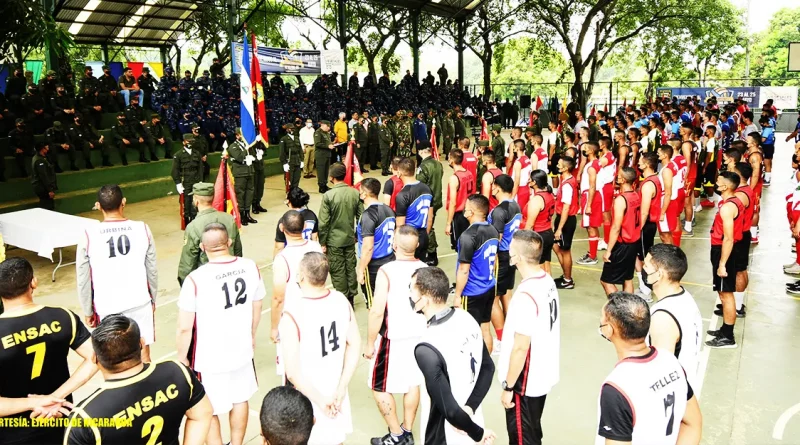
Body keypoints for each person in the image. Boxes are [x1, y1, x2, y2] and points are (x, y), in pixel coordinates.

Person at [176, 223, 263, 445]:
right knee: (240, 398)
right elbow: (256, 306)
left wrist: (182, 356)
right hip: (241, 348)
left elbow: (185, 327)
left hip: (209, 355)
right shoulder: (250, 267)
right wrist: (251, 335)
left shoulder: (195, 279)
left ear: (202, 247)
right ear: (230, 242)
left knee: (208, 406)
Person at [65, 314, 212, 444]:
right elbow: (202, 414)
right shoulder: (177, 372)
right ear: (141, 344)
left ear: (94, 358)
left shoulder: (85, 418)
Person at [0, 257, 97, 445]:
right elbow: (95, 357)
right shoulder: (63, 317)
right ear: (33, 283)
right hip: (59, 422)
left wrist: (35, 403)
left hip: (11, 434)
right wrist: (56, 397)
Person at [597, 292, 702, 444]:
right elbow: (693, 423)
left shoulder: (617, 387)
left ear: (609, 330)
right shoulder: (672, 363)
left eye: (602, 317)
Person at [279, 252, 361, 445]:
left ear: (301, 276)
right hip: (334, 386)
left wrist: (321, 401)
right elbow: (355, 344)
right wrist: (341, 387)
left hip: (308, 394)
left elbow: (292, 372)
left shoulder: (293, 312)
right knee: (336, 438)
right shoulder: (341, 300)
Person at [410, 267, 496, 444]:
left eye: (411, 290)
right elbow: (488, 368)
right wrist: (470, 408)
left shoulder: (427, 347)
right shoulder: (467, 318)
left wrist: (478, 434)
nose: (410, 295)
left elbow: (450, 411)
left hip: (447, 434)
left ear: (424, 300)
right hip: (471, 418)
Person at [76, 184, 158, 360]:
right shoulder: (142, 228)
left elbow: (83, 277)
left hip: (107, 306)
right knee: (143, 353)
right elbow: (152, 270)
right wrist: (153, 299)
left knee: (113, 358)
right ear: (124, 202)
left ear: (98, 206)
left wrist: (88, 309)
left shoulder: (88, 234)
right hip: (139, 301)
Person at [364, 226, 427, 445]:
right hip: (419, 336)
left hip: (394, 337)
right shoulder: (425, 269)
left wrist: (370, 342)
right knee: (413, 383)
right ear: (417, 246)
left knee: (378, 386)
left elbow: (377, 310)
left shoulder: (386, 271)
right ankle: (407, 430)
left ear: (394, 245)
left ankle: (396, 435)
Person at [498, 231, 559, 445]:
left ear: (517, 257)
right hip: (541, 373)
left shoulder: (526, 295)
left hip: (524, 382)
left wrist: (509, 387)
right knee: (532, 430)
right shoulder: (547, 281)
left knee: (522, 437)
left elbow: (521, 347)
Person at [270, 210, 324, 376]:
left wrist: (274, 327)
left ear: (281, 227)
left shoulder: (282, 258)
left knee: (292, 367)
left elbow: (279, 298)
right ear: (305, 227)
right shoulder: (315, 247)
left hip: (293, 316)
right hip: (317, 311)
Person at [644, 244, 703, 388]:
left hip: (671, 401)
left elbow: (661, 374)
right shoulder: (685, 297)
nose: (642, 269)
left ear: (659, 274)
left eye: (646, 266)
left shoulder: (663, 318)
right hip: (686, 389)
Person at [455, 194, 500, 352]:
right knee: (485, 329)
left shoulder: (468, 236)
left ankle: (473, 367)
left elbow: (464, 269)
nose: (464, 210)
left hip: (472, 292)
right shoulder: (493, 230)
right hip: (489, 286)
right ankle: (486, 366)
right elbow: (494, 260)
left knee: (469, 332)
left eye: (466, 207)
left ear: (472, 211)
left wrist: (457, 295)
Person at [706, 171, 745, 349]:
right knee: (723, 292)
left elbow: (728, 238)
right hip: (725, 250)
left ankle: (728, 337)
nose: (716, 182)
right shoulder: (733, 201)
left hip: (724, 251)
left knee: (726, 294)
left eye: (719, 181)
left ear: (726, 186)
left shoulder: (728, 207)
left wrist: (722, 263)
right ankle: (724, 329)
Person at [177, 183, 243, 285]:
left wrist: (185, 286)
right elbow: (238, 251)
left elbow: (188, 264)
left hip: (208, 281)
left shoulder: (193, 226)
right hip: (231, 277)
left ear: (196, 201)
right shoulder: (229, 219)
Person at [319, 163, 363, 306]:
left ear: (331, 177)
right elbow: (362, 217)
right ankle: (351, 295)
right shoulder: (355, 193)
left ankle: (343, 297)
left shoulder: (328, 196)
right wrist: (357, 235)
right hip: (350, 238)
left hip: (334, 241)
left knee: (337, 270)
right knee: (350, 267)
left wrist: (323, 242)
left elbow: (323, 223)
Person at [488, 174, 522, 349]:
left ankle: (502, 340)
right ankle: (511, 333)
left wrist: (491, 263)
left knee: (492, 298)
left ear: (498, 188)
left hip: (500, 256)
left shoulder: (499, 211)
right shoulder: (516, 205)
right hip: (511, 255)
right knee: (506, 294)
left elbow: (496, 239)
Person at [600, 167, 641, 295]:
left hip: (622, 244)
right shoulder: (636, 195)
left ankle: (621, 309)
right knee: (627, 279)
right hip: (633, 243)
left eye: (618, 175)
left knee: (606, 281)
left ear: (622, 180)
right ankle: (629, 308)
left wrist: (608, 250)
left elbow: (616, 227)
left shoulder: (620, 200)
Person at [357, 178, 397, 308]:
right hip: (390, 259)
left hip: (374, 265)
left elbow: (368, 247)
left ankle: (377, 328)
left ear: (364, 194)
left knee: (373, 304)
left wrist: (361, 269)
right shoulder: (388, 210)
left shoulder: (368, 215)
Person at [635, 152, 662, 302]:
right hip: (648, 224)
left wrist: (638, 228)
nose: (638, 163)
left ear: (646, 164)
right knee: (639, 255)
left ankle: (646, 290)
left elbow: (644, 210)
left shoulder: (648, 184)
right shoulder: (654, 180)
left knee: (645, 257)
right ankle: (644, 286)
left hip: (645, 225)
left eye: (640, 161)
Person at [395, 157, 434, 261]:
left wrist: (396, 242)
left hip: (409, 237)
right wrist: (425, 234)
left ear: (399, 172)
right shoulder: (427, 189)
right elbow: (430, 217)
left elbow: (400, 224)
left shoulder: (403, 195)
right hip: (423, 234)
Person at [553, 156, 578, 289]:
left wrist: (559, 228)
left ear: (566, 168)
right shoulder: (567, 180)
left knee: (565, 250)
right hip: (563, 217)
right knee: (557, 246)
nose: (557, 165)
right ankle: (566, 274)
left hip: (566, 219)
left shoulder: (568, 184)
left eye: (559, 164)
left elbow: (566, 207)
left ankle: (568, 280)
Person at [416, 144, 444, 265]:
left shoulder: (423, 166)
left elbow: (419, 183)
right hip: (437, 198)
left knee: (428, 227)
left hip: (427, 201)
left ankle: (432, 253)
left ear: (421, 151)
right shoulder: (438, 163)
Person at [523, 169, 555, 273]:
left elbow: (530, 225)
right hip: (548, 232)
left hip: (539, 236)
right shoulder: (549, 195)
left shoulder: (537, 200)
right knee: (546, 267)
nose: (528, 181)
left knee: (538, 270)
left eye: (530, 179)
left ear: (534, 183)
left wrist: (524, 242)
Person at [576, 141, 603, 265]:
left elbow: (592, 186)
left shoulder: (592, 166)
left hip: (591, 196)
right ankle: (591, 253)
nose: (583, 150)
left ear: (591, 151)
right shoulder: (595, 163)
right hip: (592, 196)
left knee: (591, 226)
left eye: (585, 148)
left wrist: (589, 205)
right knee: (592, 226)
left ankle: (592, 256)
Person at [444, 149, 475, 250]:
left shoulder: (454, 178)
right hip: (469, 212)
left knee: (460, 246)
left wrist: (448, 223)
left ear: (452, 160)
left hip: (459, 215)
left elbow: (453, 202)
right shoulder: (469, 173)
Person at [274, 187, 319, 255]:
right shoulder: (311, 215)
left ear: (289, 201)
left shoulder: (285, 219)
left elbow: (279, 247)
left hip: (291, 254)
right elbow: (315, 238)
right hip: (309, 254)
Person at [173, 134, 205, 226]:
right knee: (187, 200)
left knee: (196, 200)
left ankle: (194, 217)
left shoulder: (197, 153)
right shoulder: (178, 155)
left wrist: (200, 180)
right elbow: (175, 171)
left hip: (195, 179)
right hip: (185, 180)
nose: (190, 143)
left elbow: (200, 168)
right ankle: (187, 219)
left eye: (191, 141)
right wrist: (178, 183)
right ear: (183, 142)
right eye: (188, 141)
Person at [227, 128, 258, 225]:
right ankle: (242, 215)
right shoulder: (233, 146)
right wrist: (247, 148)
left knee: (250, 192)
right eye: (242, 135)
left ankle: (247, 213)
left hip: (249, 171)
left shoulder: (248, 145)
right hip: (240, 173)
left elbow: (254, 155)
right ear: (237, 136)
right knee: (240, 194)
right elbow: (239, 157)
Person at [31, 141, 57, 210]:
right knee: (47, 207)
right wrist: (50, 190)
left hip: (42, 187)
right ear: (42, 149)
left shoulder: (39, 158)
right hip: (42, 188)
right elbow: (44, 176)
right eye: (46, 147)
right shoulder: (39, 161)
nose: (48, 148)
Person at [280, 122, 304, 192]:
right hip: (289, 160)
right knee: (289, 178)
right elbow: (282, 152)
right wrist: (284, 163)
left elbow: (300, 150)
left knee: (297, 177)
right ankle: (289, 192)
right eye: (291, 129)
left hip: (297, 159)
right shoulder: (283, 139)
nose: (292, 130)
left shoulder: (296, 138)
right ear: (287, 130)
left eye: (293, 129)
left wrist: (302, 160)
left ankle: (295, 191)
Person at [315, 120, 335, 193]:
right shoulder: (318, 133)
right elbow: (317, 144)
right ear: (323, 125)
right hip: (321, 155)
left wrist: (332, 144)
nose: (329, 128)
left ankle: (325, 185)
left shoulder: (326, 133)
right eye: (327, 126)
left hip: (327, 154)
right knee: (321, 172)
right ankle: (321, 187)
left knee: (326, 171)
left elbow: (327, 142)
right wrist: (327, 146)